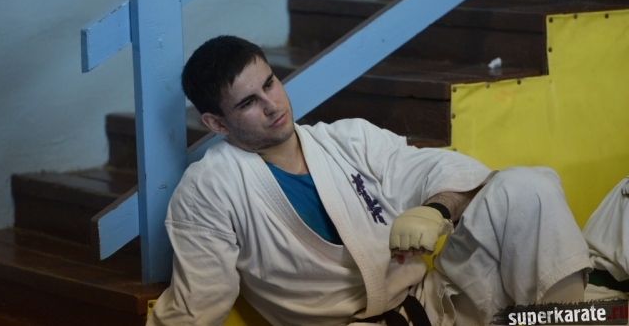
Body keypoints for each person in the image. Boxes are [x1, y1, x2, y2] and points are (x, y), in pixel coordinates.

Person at [147, 36, 592, 326]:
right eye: (248, 102)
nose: (272, 105)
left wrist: (434, 210)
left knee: (526, 187)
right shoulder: (210, 189)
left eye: (270, 83)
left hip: (435, 304)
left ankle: (566, 318)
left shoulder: (349, 139)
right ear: (216, 123)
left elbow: (450, 172)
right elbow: (197, 306)